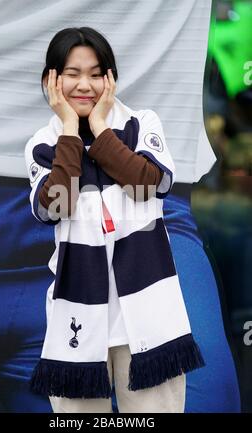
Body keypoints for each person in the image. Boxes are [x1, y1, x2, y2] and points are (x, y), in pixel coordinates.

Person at [24, 27, 205, 413]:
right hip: (78, 310)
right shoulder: (43, 144)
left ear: (111, 78)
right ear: (51, 80)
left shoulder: (142, 123)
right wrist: (70, 133)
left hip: (146, 310)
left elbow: (147, 183)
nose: (84, 84)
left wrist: (103, 129)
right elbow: (58, 203)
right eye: (72, 73)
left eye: (96, 72)